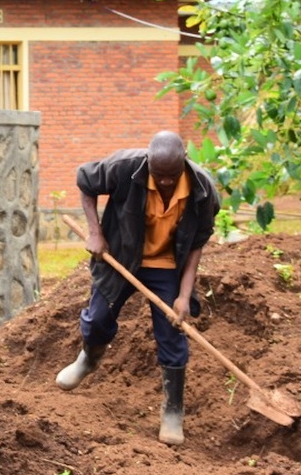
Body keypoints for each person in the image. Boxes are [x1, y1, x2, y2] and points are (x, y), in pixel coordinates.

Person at [55, 131, 220, 446]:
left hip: (168, 266)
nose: (166, 183)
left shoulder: (202, 189)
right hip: (121, 256)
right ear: (148, 162)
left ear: (185, 160)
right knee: (98, 319)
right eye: (159, 176)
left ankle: (173, 410)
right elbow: (85, 181)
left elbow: (197, 245)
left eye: (172, 176)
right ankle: (88, 360)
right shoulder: (124, 167)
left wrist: (184, 296)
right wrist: (95, 232)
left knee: (172, 332)